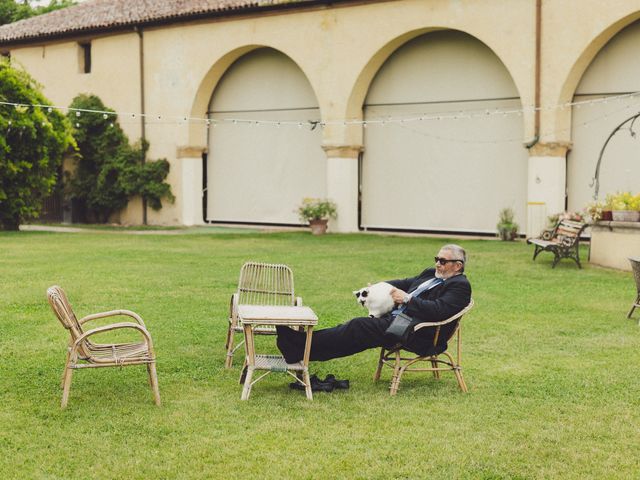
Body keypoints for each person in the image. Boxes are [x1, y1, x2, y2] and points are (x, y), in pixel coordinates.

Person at [276, 244, 472, 363]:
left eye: (443, 261)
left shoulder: (459, 286)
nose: (438, 263)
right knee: (351, 329)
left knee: (358, 327)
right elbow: (404, 283)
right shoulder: (431, 273)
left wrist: (407, 299)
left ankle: (298, 347)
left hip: (419, 332)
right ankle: (299, 345)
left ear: (457, 265)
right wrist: (379, 287)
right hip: (400, 320)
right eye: (437, 259)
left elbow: (439, 311)